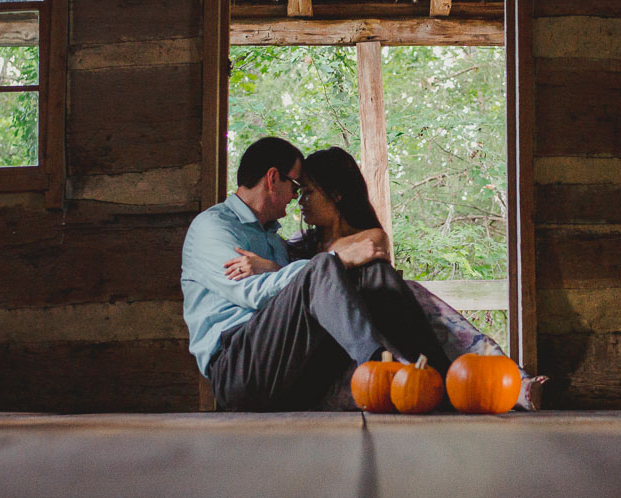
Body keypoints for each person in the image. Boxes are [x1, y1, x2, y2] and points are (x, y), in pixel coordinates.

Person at [226, 145, 545, 409]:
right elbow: (305, 287)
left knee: (389, 282)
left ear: (335, 194)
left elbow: (368, 248)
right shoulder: (297, 249)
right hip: (328, 359)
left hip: (380, 351)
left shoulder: (369, 238)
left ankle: (493, 381)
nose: (299, 201)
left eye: (308, 192)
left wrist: (281, 267)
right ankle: (443, 374)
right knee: (400, 287)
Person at [180, 136, 452, 411]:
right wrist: (335, 260)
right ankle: (378, 367)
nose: (296, 197)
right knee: (325, 265)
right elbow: (254, 293)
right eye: (296, 186)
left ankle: (441, 377)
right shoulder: (213, 227)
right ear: (273, 179)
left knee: (373, 273)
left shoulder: (274, 240)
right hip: (239, 369)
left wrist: (278, 267)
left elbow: (295, 293)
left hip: (292, 370)